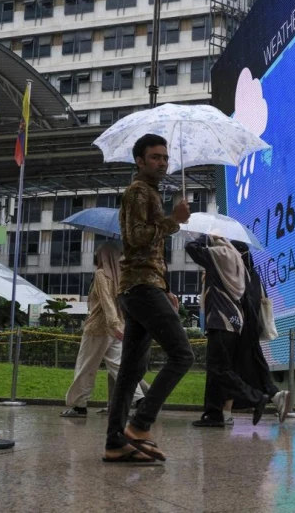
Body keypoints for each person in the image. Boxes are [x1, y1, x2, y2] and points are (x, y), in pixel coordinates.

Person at [103, 134, 193, 464]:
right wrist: (174, 220)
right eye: (155, 157)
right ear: (140, 161)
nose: (162, 162)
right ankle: (140, 425)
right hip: (140, 287)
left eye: (165, 157)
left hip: (143, 285)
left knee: (130, 370)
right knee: (182, 355)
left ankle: (115, 443)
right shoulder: (138, 192)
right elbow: (135, 238)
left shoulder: (151, 193)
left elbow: (151, 250)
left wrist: (164, 286)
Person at [185, 234, 270, 427]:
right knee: (218, 369)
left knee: (219, 369)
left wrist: (204, 236)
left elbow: (191, 248)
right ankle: (214, 415)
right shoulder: (236, 257)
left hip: (222, 320)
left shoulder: (221, 253)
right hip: (232, 320)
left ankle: (256, 397)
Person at [60, 242, 147, 418]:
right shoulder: (122, 276)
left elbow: (106, 300)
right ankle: (140, 400)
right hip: (117, 330)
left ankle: (79, 406)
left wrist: (113, 323)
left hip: (98, 328)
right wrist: (119, 325)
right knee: (119, 367)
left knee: (86, 366)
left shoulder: (101, 274)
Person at [231, 240, 290, 423]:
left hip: (241, 327)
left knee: (231, 368)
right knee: (256, 364)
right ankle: (273, 395)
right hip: (253, 327)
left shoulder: (237, 273)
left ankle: (260, 398)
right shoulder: (254, 274)